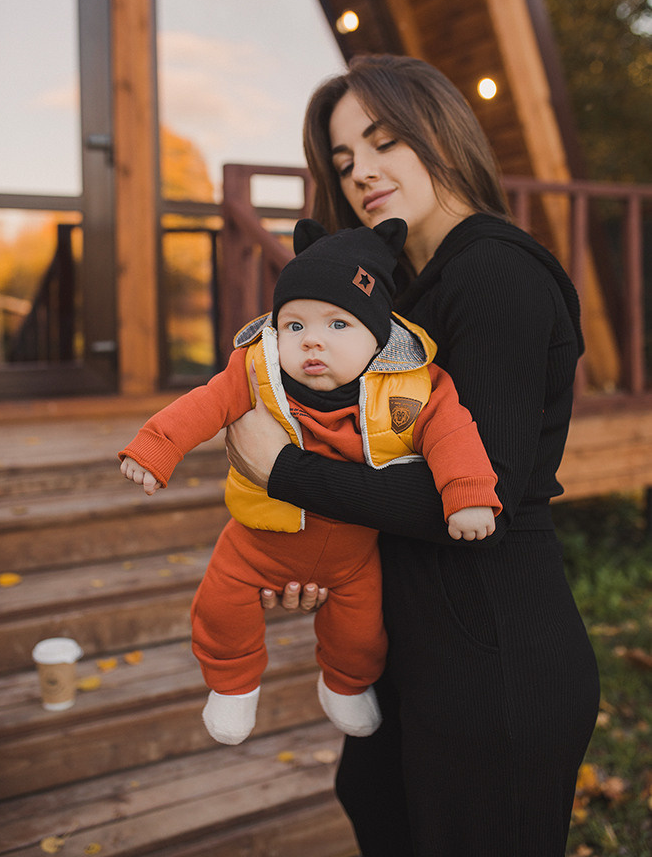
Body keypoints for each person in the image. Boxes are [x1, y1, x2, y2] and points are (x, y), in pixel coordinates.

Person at [223, 54, 600, 857]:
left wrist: (283, 471)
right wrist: (306, 545)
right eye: (344, 160)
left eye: (384, 140)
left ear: (443, 132)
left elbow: (473, 501)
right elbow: (376, 466)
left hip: (492, 655)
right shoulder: (399, 304)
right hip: (413, 647)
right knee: (370, 798)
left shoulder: (495, 273)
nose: (362, 171)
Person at [119, 216, 501, 748]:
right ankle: (232, 685)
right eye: (295, 326)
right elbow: (205, 403)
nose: (312, 342)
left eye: (337, 325)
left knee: (361, 632)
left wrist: (468, 495)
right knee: (219, 606)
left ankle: (345, 686)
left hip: (351, 554)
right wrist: (157, 447)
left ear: (379, 332)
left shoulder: (413, 387)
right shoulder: (256, 368)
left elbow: (453, 434)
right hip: (256, 544)